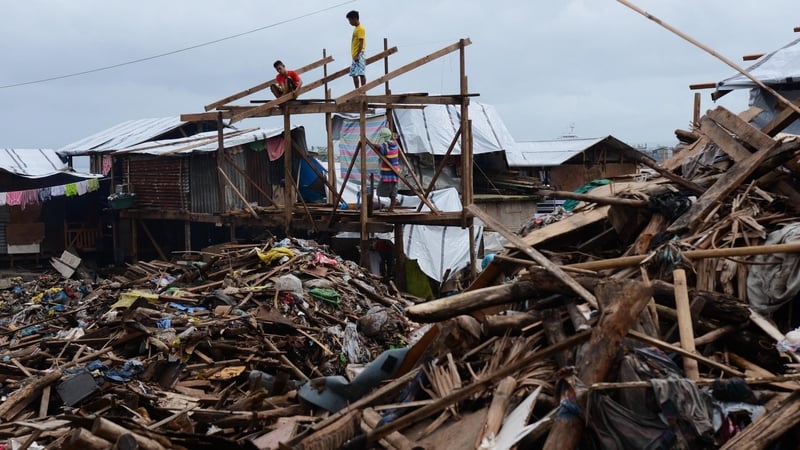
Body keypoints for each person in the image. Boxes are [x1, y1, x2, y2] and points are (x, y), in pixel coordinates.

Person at [368, 127, 400, 212]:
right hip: (395, 171)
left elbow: (381, 148)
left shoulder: (386, 145)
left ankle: (393, 203)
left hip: (388, 173)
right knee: (393, 190)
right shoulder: (395, 144)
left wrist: (370, 143)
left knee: (381, 190)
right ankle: (392, 206)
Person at [346, 10, 366, 89]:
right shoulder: (356, 29)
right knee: (354, 73)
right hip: (355, 55)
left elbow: (361, 43)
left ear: (354, 19)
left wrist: (357, 55)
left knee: (361, 73)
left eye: (350, 20)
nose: (350, 22)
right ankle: (357, 90)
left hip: (359, 54)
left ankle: (363, 90)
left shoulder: (360, 29)